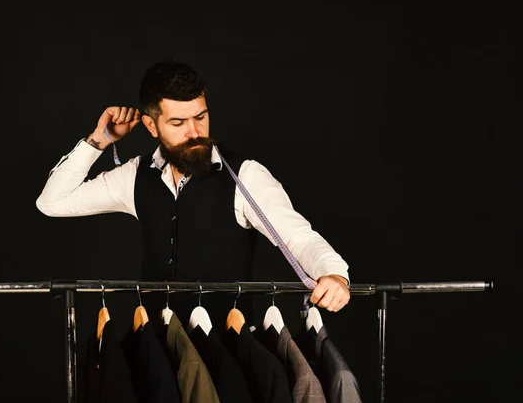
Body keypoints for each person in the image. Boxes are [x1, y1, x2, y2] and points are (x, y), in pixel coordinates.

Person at [36, 59, 351, 328]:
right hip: (154, 347)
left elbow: (298, 237)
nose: (194, 132)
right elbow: (53, 203)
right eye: (178, 122)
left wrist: (334, 274)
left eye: (200, 117)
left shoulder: (246, 175)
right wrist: (98, 142)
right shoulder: (134, 175)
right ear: (151, 125)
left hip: (228, 353)